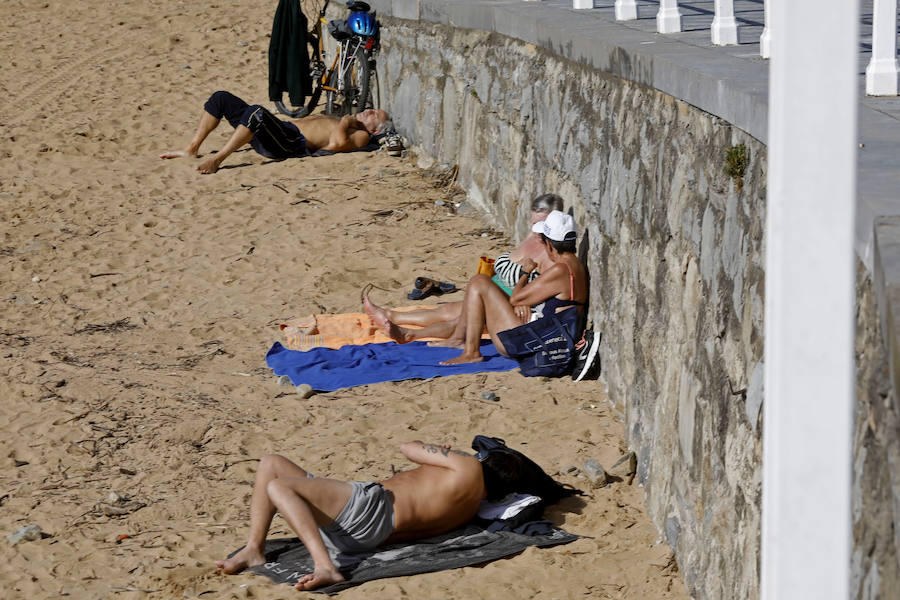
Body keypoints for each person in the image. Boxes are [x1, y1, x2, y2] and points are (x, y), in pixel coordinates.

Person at [216, 440, 510, 590]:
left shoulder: (468, 468)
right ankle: (254, 549)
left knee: (279, 486)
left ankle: (324, 566)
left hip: (370, 509)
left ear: (484, 462)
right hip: (366, 533)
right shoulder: (472, 505)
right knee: (272, 463)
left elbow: (408, 447)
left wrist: (432, 446)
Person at [363, 193, 565, 346]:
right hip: (494, 293)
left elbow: (548, 289)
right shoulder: (533, 236)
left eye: (542, 224)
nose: (536, 229)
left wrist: (526, 304)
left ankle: (407, 334)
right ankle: (391, 315)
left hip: (508, 303)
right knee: (446, 310)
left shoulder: (551, 253)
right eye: (533, 223)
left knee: (460, 320)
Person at [410, 210, 586, 373]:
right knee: (481, 286)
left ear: (548, 243)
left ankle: (471, 351)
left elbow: (517, 298)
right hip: (547, 337)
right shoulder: (574, 265)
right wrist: (522, 303)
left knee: (479, 282)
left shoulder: (561, 270)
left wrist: (525, 273)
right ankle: (460, 340)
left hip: (536, 344)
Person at [160, 90, 391, 174]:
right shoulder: (350, 123)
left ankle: (218, 160)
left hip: (291, 143)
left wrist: (345, 121)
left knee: (256, 112)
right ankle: (191, 148)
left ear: (376, 129)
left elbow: (337, 145)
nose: (368, 111)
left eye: (374, 115)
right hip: (283, 131)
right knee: (221, 98)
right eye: (371, 109)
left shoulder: (362, 136)